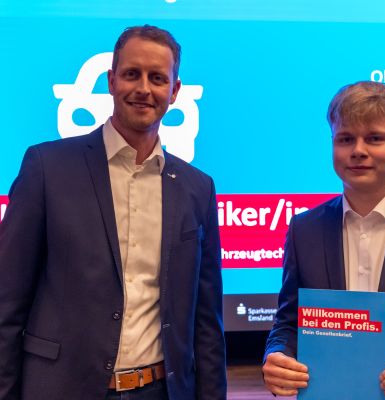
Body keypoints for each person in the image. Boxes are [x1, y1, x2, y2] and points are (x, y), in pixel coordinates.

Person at [0, 25, 226, 400]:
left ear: (174, 91)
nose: (143, 89)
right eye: (131, 74)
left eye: (157, 78)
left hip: (160, 391)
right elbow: (7, 303)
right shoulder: (46, 168)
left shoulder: (197, 189)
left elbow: (207, 323)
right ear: (111, 81)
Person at [262, 81, 385, 398]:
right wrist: (277, 355)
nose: (358, 150)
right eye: (346, 139)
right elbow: (288, 323)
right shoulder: (304, 230)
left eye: (375, 138)